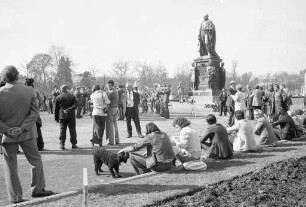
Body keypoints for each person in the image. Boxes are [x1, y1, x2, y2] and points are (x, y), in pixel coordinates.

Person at [0, 66, 53, 203]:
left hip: (8, 135)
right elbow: (35, 112)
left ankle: (15, 197)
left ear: (3, 78)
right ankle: (38, 189)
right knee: (35, 160)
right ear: (17, 76)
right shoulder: (29, 90)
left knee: (10, 166)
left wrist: (7, 129)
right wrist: (22, 128)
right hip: (27, 132)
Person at [54, 85, 78, 150]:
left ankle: (62, 144)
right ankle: (73, 144)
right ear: (67, 89)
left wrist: (56, 118)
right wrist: (69, 110)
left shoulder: (58, 97)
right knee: (72, 130)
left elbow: (56, 109)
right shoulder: (72, 96)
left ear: (61, 90)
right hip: (71, 115)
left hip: (62, 116)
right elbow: (75, 105)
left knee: (62, 130)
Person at [25, 78, 44, 151]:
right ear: (32, 83)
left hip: (27, 114)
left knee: (28, 131)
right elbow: (41, 102)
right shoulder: (35, 91)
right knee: (38, 129)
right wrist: (37, 109)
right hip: (35, 114)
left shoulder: (24, 91)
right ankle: (40, 146)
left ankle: (32, 147)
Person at [105, 80, 120, 145]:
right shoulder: (115, 91)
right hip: (114, 108)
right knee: (114, 125)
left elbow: (105, 99)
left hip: (111, 109)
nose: (108, 86)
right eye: (108, 85)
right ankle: (117, 140)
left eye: (109, 85)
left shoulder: (111, 92)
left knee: (110, 125)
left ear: (112, 85)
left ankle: (110, 141)